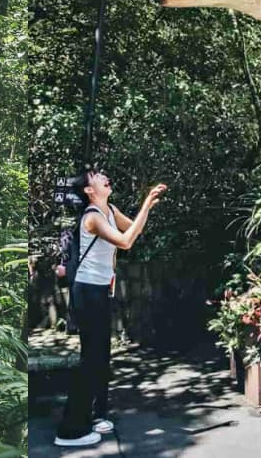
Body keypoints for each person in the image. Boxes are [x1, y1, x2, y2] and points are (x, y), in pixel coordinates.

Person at [54, 170, 166, 448]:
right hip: (87, 292)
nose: (104, 177)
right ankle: (70, 430)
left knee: (100, 358)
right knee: (89, 361)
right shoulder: (91, 217)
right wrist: (146, 202)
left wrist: (147, 206)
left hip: (100, 292)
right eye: (96, 176)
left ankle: (93, 416)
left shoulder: (110, 209)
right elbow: (126, 242)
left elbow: (134, 231)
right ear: (89, 190)